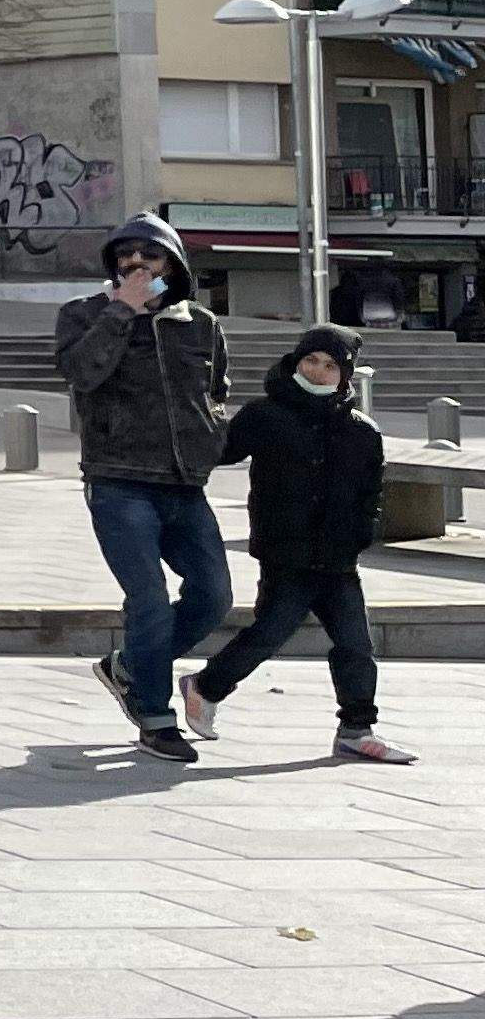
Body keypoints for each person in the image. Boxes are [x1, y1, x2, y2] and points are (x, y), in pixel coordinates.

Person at [185, 324, 418, 765]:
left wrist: (359, 537)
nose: (318, 370)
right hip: (286, 553)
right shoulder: (266, 415)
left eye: (330, 365)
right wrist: (198, 410)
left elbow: (371, 494)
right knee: (269, 633)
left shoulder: (361, 431)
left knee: (355, 644)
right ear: (296, 361)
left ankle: (356, 728)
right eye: (310, 360)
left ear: (345, 374)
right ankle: (205, 687)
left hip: (337, 560)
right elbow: (219, 451)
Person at [58, 212, 234, 766]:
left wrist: (211, 438)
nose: (136, 265)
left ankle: (130, 666)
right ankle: (155, 716)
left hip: (184, 484)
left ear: (172, 264)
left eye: (149, 256)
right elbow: (81, 374)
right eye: (125, 257)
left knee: (213, 596)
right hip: (118, 482)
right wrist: (121, 313)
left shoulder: (199, 324)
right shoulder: (84, 315)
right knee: (149, 600)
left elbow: (216, 390)